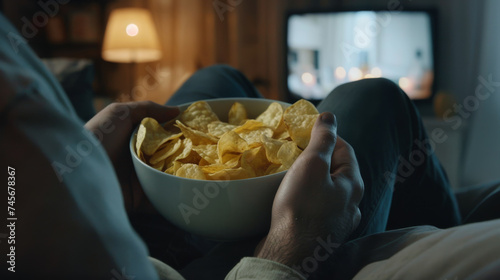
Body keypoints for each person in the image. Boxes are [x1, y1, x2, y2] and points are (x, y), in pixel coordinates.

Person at [1, 12, 499, 280]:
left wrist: (83, 170)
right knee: (373, 95)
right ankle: (449, 219)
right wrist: (284, 254)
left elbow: (12, 240)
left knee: (216, 77)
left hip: (141, 233)